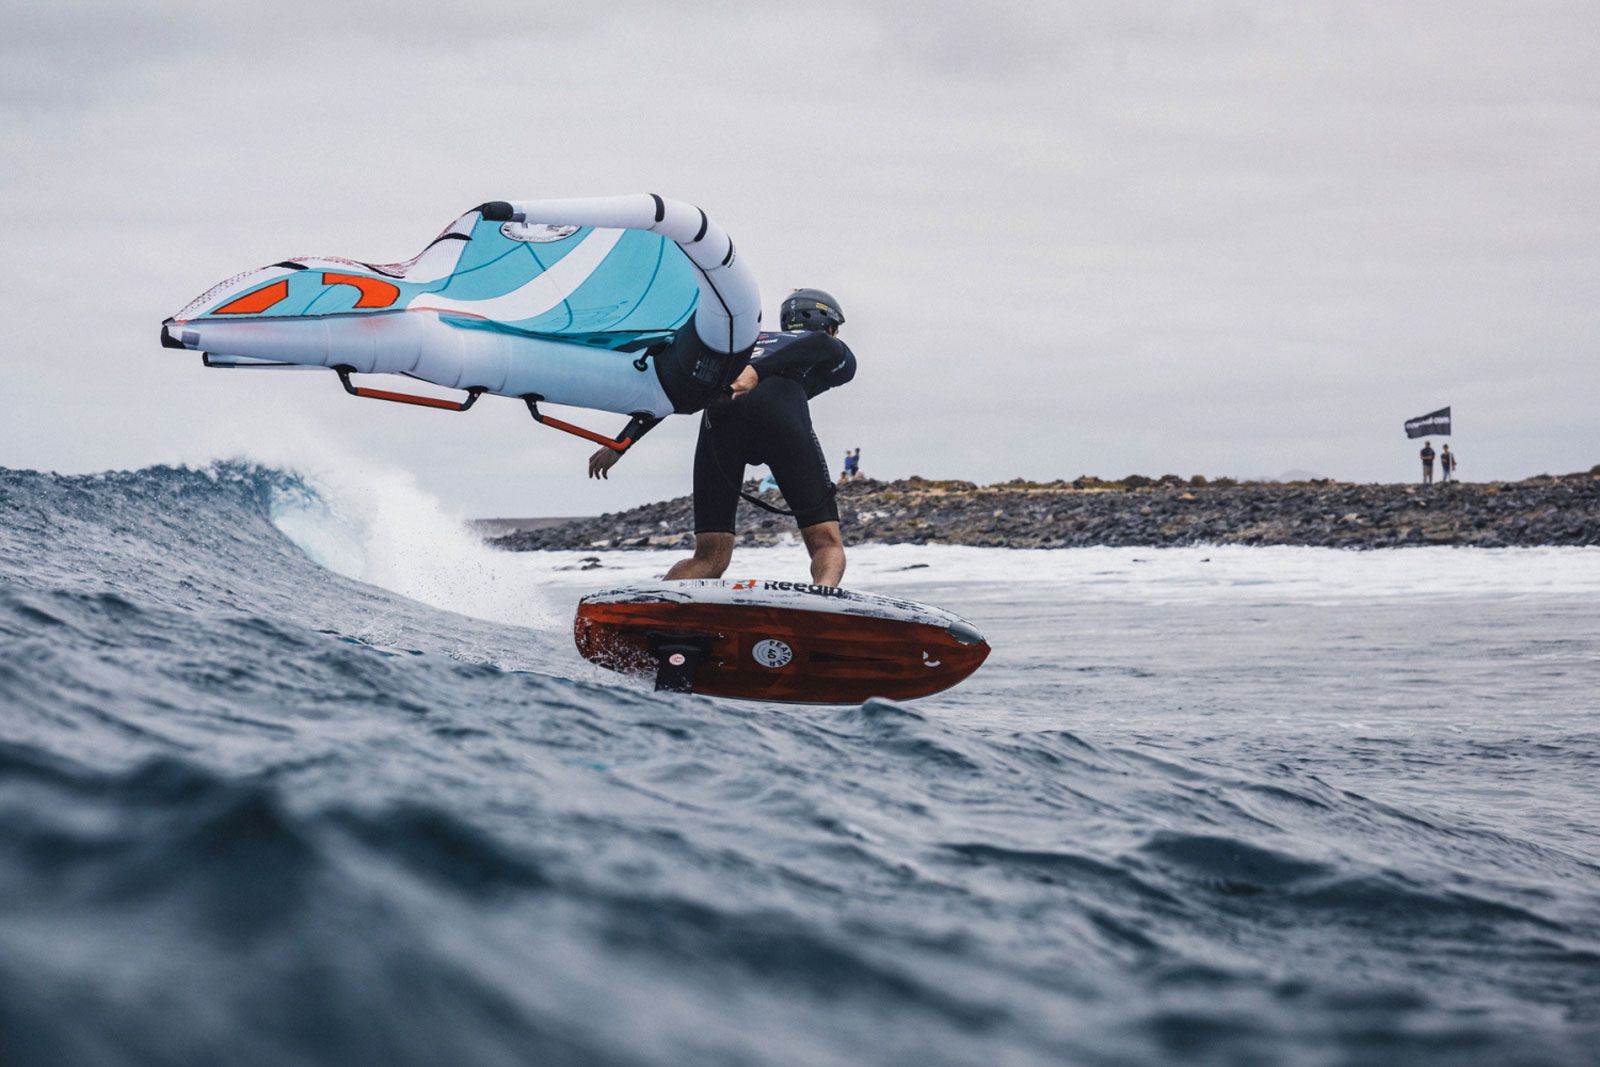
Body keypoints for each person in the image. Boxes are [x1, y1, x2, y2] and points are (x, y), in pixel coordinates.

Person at [660, 289, 856, 586]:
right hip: (778, 410)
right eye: (834, 329)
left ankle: (656, 605)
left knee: (710, 556)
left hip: (720, 416)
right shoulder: (815, 343)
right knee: (826, 543)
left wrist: (625, 441)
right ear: (826, 324)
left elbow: (679, 391)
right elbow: (822, 344)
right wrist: (756, 373)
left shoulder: (745, 344)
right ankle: (822, 600)